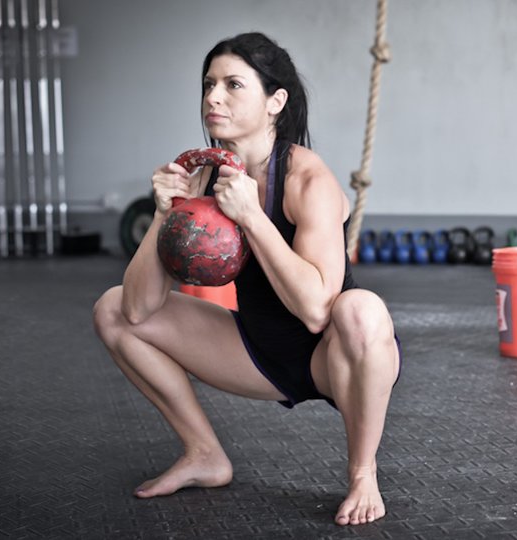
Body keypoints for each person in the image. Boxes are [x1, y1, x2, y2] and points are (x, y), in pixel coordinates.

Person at [92, 32, 401, 526]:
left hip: (337, 357)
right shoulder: (206, 177)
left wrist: (253, 218)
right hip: (257, 353)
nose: (213, 97)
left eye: (234, 85)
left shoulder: (307, 179)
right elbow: (136, 310)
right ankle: (204, 455)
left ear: (275, 101)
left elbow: (318, 309)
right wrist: (164, 214)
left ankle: (363, 473)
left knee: (360, 308)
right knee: (110, 308)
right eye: (209, 84)